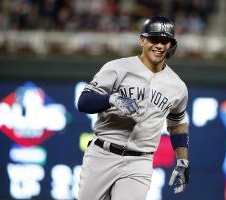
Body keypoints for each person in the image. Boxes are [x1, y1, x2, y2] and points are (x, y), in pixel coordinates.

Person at [77, 16, 190, 200]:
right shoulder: (117, 68)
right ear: (142, 40)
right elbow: (84, 102)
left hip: (140, 161)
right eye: (154, 39)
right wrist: (112, 99)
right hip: (102, 154)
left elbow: (177, 124)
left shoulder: (177, 86)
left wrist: (182, 159)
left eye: (165, 41)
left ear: (171, 45)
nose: (160, 45)